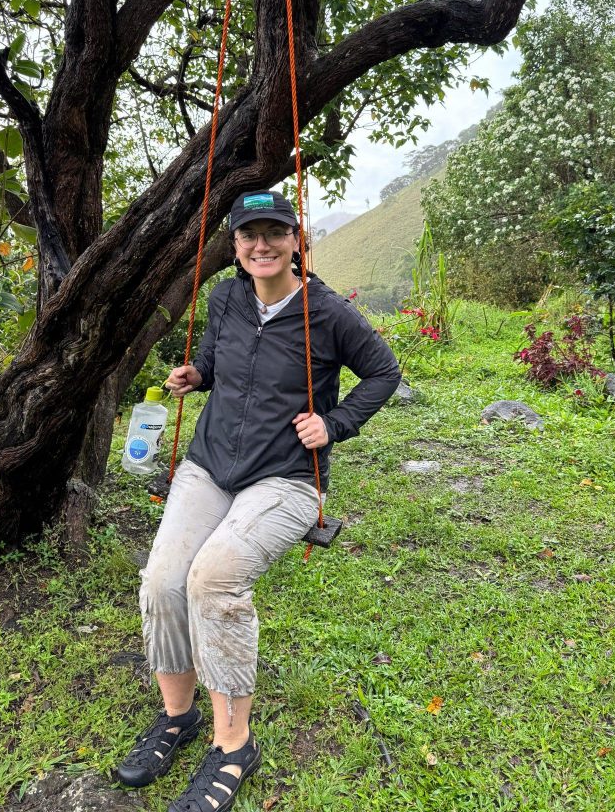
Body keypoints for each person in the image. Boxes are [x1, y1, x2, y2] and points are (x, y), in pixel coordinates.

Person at [116, 189, 401, 812]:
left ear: (296, 241)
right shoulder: (225, 297)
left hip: (287, 477)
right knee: (164, 579)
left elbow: (384, 373)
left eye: (274, 233)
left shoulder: (328, 313)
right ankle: (177, 717)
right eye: (250, 235)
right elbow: (218, 364)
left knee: (212, 582)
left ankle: (233, 745)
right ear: (237, 244)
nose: (261, 246)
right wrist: (198, 375)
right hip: (211, 464)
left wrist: (335, 423)